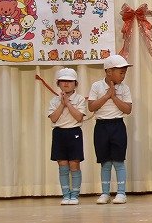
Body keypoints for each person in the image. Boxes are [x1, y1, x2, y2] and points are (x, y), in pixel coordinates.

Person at [88, 54, 133, 204]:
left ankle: (121, 193)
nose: (123, 76)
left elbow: (128, 109)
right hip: (101, 127)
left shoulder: (125, 88)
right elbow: (91, 107)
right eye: (121, 72)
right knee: (105, 162)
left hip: (117, 126)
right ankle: (105, 193)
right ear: (108, 72)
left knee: (119, 161)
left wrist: (114, 97)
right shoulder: (96, 86)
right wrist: (107, 95)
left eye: (124, 73)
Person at [48, 68, 86, 205]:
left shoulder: (80, 99)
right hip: (59, 133)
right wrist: (62, 104)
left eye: (70, 81)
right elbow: (53, 118)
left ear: (76, 84)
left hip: (74, 132)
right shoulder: (54, 101)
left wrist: (68, 103)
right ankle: (66, 195)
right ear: (58, 83)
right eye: (63, 81)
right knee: (63, 166)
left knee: (74, 165)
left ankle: (74, 195)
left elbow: (79, 117)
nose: (66, 83)